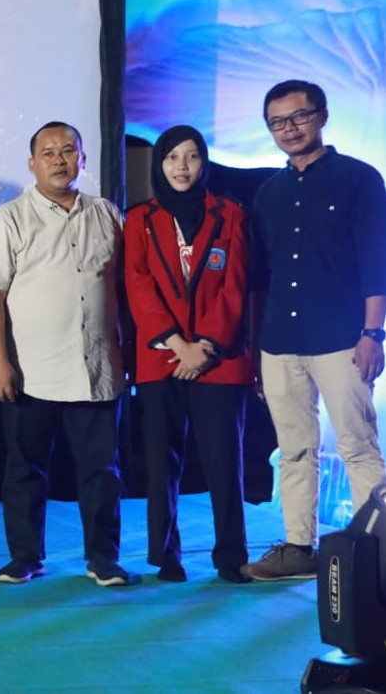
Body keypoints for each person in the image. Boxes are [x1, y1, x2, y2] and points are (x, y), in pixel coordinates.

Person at [0, 120, 139, 587]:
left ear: (83, 159)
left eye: (68, 151)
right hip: (31, 370)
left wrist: (130, 354)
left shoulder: (106, 213)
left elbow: (125, 286)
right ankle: (25, 557)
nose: (59, 160)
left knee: (102, 472)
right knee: (25, 470)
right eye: (48, 153)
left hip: (97, 367)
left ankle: (103, 559)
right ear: (32, 164)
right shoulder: (8, 220)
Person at [243, 79, 386, 581]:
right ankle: (298, 547)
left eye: (299, 116)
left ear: (322, 116)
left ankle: (376, 550)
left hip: (342, 337)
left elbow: (376, 262)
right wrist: (256, 347)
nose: (289, 129)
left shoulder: (359, 179)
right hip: (279, 341)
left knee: (357, 445)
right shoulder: (269, 193)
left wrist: (373, 335)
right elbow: (260, 277)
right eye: (277, 122)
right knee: (294, 449)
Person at [123, 125, 252, 584]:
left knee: (224, 461)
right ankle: (166, 556)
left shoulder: (231, 213)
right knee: (161, 460)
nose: (182, 166)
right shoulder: (139, 219)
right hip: (162, 355)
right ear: (159, 163)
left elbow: (236, 285)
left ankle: (231, 555)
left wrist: (205, 346)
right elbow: (138, 285)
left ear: (204, 162)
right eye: (172, 157)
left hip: (219, 358)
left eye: (192, 156)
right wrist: (178, 345)